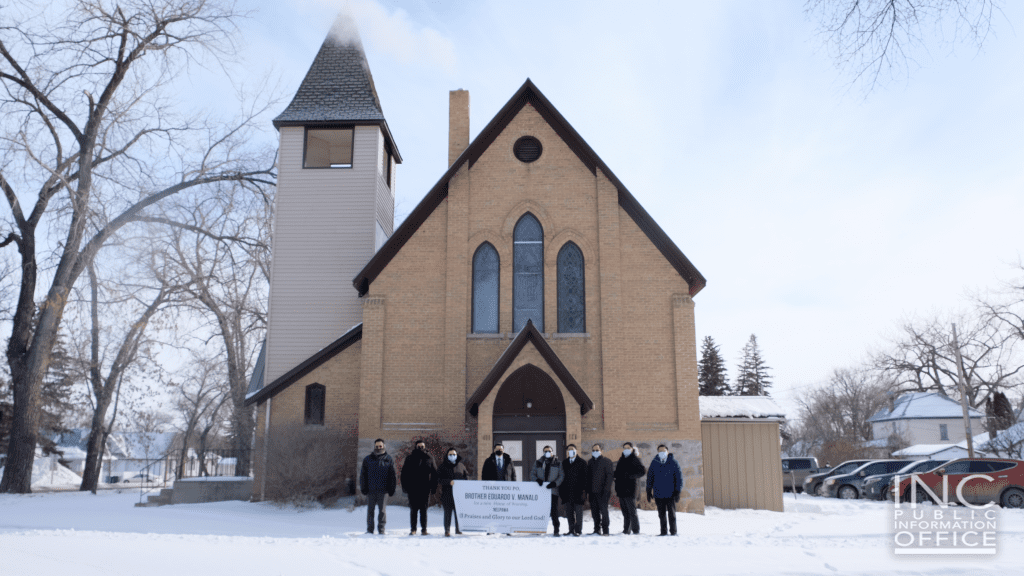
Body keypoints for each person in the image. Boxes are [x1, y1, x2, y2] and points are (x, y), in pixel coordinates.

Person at [400, 439, 438, 536]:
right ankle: (413, 529)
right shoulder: (409, 458)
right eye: (419, 446)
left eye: (422, 446)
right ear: (415, 447)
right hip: (412, 489)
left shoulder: (429, 458)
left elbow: (434, 474)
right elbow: (404, 474)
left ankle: (424, 530)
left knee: (424, 510)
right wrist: (405, 486)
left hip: (425, 488)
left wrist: (434, 487)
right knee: (413, 510)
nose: (420, 448)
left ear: (425, 447)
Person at [360, 438, 397, 535]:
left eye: (380, 446)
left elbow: (392, 476)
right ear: (374, 446)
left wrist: (392, 488)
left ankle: (381, 530)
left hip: (383, 491)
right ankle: (370, 530)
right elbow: (363, 475)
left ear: (384, 446)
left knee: (382, 511)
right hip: (371, 490)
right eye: (377, 446)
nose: (379, 447)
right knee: (370, 511)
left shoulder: (388, 459)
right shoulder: (367, 459)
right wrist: (363, 488)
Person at [646, 444, 682, 536]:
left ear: (668, 452)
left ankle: (673, 531)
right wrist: (648, 490)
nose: (662, 453)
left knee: (671, 514)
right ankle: (663, 531)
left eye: (664, 451)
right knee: (661, 514)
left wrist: (678, 491)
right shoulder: (654, 463)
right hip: (659, 493)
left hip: (671, 493)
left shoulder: (674, 462)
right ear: (658, 452)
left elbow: (679, 478)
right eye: (660, 451)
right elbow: (650, 477)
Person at [530, 444, 564, 536]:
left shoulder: (558, 463)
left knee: (554, 511)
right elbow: (532, 474)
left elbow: (561, 476)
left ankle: (556, 529)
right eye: (546, 451)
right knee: (540, 511)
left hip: (553, 491)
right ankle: (538, 529)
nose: (547, 453)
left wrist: (555, 483)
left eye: (549, 451)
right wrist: (537, 480)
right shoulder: (538, 462)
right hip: (541, 491)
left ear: (552, 452)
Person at [613, 442, 646, 535]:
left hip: (630, 489)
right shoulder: (621, 459)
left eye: (628, 448)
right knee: (625, 511)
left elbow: (642, 471)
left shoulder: (635, 459)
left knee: (632, 511)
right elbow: (618, 471)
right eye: (624, 448)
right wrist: (615, 475)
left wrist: (631, 476)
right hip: (621, 489)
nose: (626, 449)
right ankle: (626, 529)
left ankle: (636, 530)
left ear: (632, 449)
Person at [437, 447, 469, 537]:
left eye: (454, 454)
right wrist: (448, 482)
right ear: (447, 456)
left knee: (458, 513)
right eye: (450, 454)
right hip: (447, 494)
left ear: (456, 455)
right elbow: (439, 479)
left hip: (459, 494)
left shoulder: (461, 465)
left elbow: (466, 477)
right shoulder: (442, 466)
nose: (452, 456)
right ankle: (447, 530)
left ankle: (458, 529)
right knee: (447, 513)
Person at [559, 444, 588, 536]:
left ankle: (578, 530)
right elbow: (562, 478)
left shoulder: (582, 462)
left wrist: (584, 492)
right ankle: (571, 529)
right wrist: (562, 492)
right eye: (569, 450)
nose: (571, 451)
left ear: (576, 450)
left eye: (573, 449)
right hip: (567, 493)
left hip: (579, 492)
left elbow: (586, 479)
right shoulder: (564, 463)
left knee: (579, 513)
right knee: (569, 513)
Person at [586, 443, 613, 536]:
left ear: (601, 451)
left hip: (603, 492)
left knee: (604, 511)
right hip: (592, 492)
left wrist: (606, 490)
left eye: (597, 450)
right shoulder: (590, 462)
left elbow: (609, 477)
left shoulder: (607, 461)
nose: (595, 452)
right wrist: (588, 491)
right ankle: (596, 529)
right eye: (593, 450)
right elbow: (588, 477)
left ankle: (605, 530)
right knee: (594, 512)